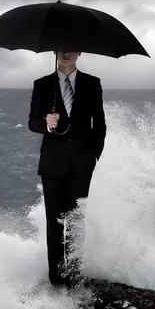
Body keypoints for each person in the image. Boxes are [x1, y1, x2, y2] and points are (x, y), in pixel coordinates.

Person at [28, 49, 106, 286]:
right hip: (53, 164)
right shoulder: (42, 84)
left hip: (82, 164)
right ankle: (56, 278)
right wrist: (46, 124)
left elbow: (100, 123)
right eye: (62, 49)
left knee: (76, 221)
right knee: (54, 222)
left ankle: (75, 275)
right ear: (55, 52)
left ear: (79, 53)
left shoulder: (92, 83)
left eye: (72, 49)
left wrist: (94, 157)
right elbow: (32, 122)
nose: (66, 54)